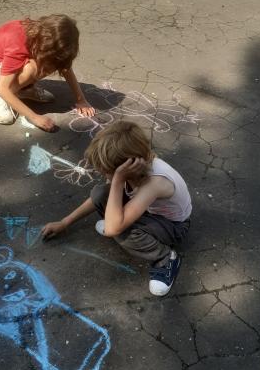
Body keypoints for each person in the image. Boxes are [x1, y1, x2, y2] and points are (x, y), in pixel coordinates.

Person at [41, 121, 192, 296]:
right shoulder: (134, 168)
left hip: (174, 226)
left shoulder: (154, 182)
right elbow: (100, 197)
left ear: (126, 167)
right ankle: (124, 221)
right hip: (150, 211)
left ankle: (165, 258)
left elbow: (113, 229)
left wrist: (118, 180)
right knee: (100, 193)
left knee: (121, 231)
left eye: (107, 172)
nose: (103, 175)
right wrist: (65, 222)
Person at [0, 15, 95, 131]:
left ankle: (24, 90)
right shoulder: (17, 42)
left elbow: (65, 66)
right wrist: (35, 118)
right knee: (34, 68)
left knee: (51, 62)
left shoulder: (42, 36)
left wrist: (81, 100)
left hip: (9, 69)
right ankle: (6, 98)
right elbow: (3, 88)